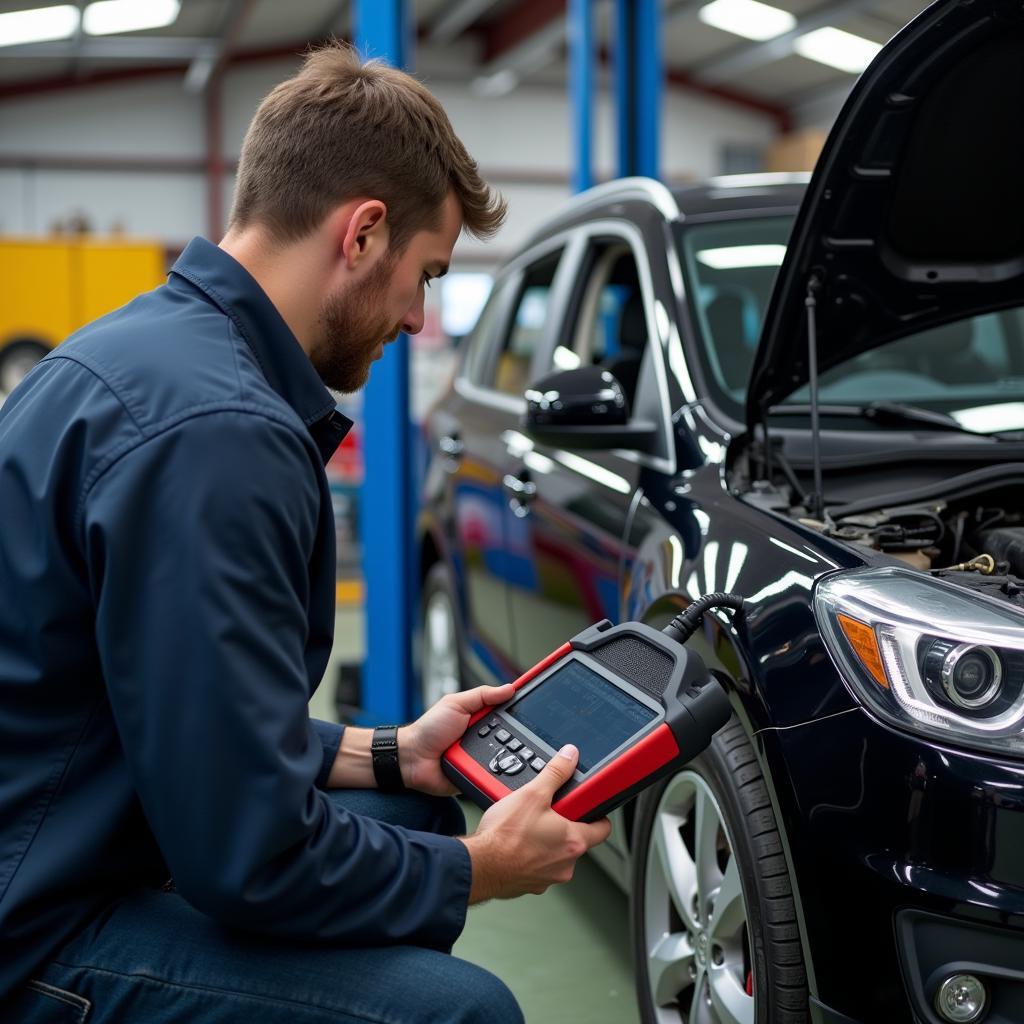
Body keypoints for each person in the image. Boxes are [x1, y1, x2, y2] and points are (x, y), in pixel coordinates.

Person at [0, 43, 611, 1024]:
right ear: (363, 233)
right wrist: (477, 870)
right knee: (462, 1012)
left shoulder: (151, 351)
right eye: (426, 277)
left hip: (60, 831)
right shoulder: (217, 437)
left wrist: (391, 752)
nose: (418, 318)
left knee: (412, 806)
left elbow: (192, 718)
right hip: (35, 926)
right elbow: (249, 849)